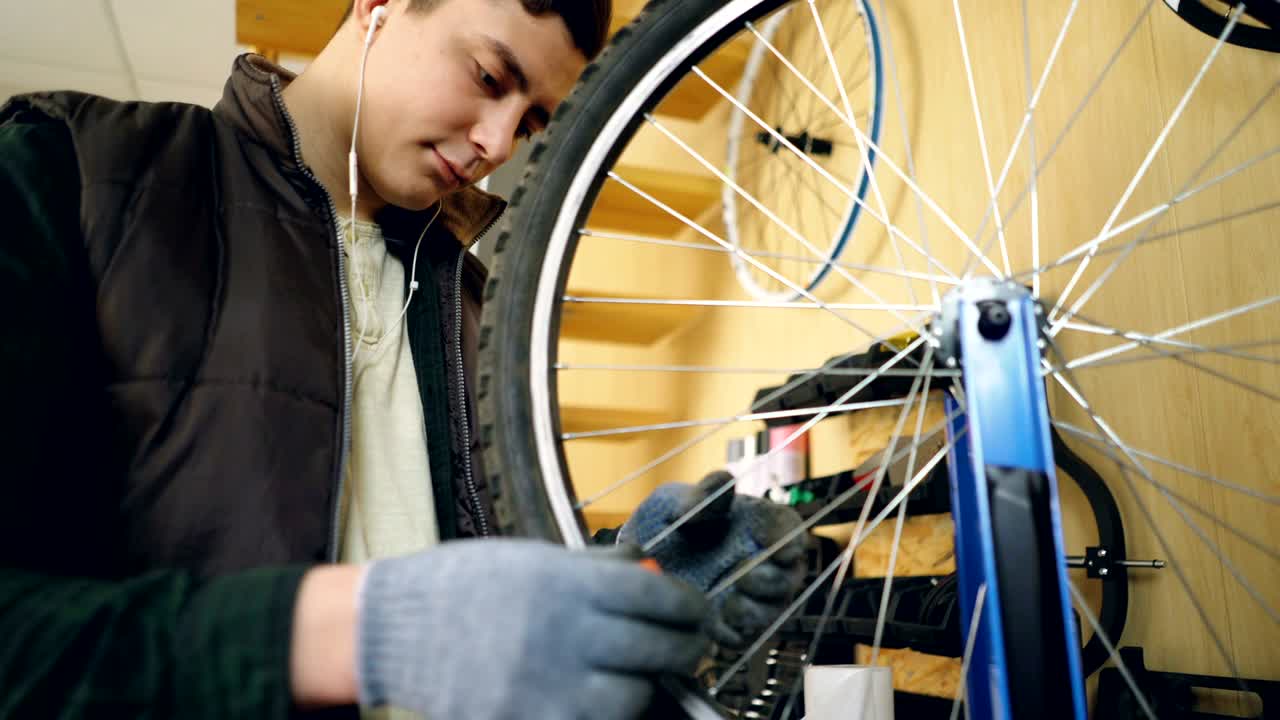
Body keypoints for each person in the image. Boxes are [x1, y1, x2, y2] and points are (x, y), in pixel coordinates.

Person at [0, 0, 806, 717]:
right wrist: (362, 635)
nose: (497, 143)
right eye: (491, 75)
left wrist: (632, 586)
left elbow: (461, 587)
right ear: (377, 5)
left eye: (530, 125)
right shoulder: (75, 170)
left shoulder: (483, 314)